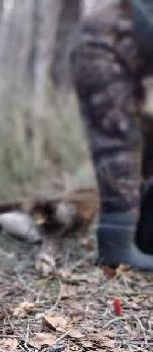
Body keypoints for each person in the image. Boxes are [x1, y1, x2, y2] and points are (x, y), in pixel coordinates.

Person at [71, 0, 153, 271]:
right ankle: (116, 248)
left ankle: (145, 234)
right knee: (119, 141)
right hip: (103, 47)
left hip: (137, 48)